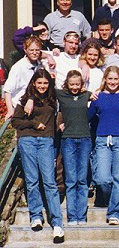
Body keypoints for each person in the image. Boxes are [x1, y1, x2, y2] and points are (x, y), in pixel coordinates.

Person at [11, 69, 64, 244]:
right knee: (32, 180)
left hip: (46, 141)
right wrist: (33, 122)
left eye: (45, 83)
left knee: (49, 181)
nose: (42, 86)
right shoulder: (25, 100)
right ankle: (36, 216)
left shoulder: (53, 99)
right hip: (27, 141)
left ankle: (57, 223)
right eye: (39, 83)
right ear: (33, 83)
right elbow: (15, 121)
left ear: (49, 84)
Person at [88, 66, 119, 225]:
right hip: (102, 139)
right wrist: (89, 99)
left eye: (115, 79)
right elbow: (89, 117)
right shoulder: (98, 97)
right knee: (102, 178)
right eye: (110, 79)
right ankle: (114, 200)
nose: (112, 82)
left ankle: (115, 212)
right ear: (105, 79)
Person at [56, 70, 92, 226]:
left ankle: (82, 216)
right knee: (71, 179)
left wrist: (92, 94)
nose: (75, 87)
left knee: (82, 179)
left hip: (85, 139)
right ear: (67, 84)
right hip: (68, 139)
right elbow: (42, 89)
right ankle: (72, 216)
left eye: (78, 84)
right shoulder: (61, 95)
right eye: (72, 84)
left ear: (82, 84)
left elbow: (98, 96)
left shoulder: (87, 95)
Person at [4, 36, 55, 119]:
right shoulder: (18, 67)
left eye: (37, 50)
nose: (34, 53)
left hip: (37, 107)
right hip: (21, 108)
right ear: (25, 50)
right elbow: (7, 91)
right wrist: (10, 109)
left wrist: (49, 57)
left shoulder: (41, 64)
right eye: (31, 50)